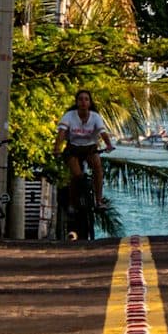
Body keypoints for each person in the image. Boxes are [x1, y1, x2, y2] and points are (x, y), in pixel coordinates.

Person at [54, 88, 112, 240]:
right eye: (80, 99)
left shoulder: (95, 117)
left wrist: (109, 145)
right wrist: (57, 149)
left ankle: (98, 200)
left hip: (90, 148)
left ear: (90, 102)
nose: (83, 102)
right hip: (73, 148)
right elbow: (61, 134)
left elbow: (102, 132)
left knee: (98, 169)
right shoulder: (69, 116)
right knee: (77, 176)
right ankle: (73, 204)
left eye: (86, 99)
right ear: (76, 102)